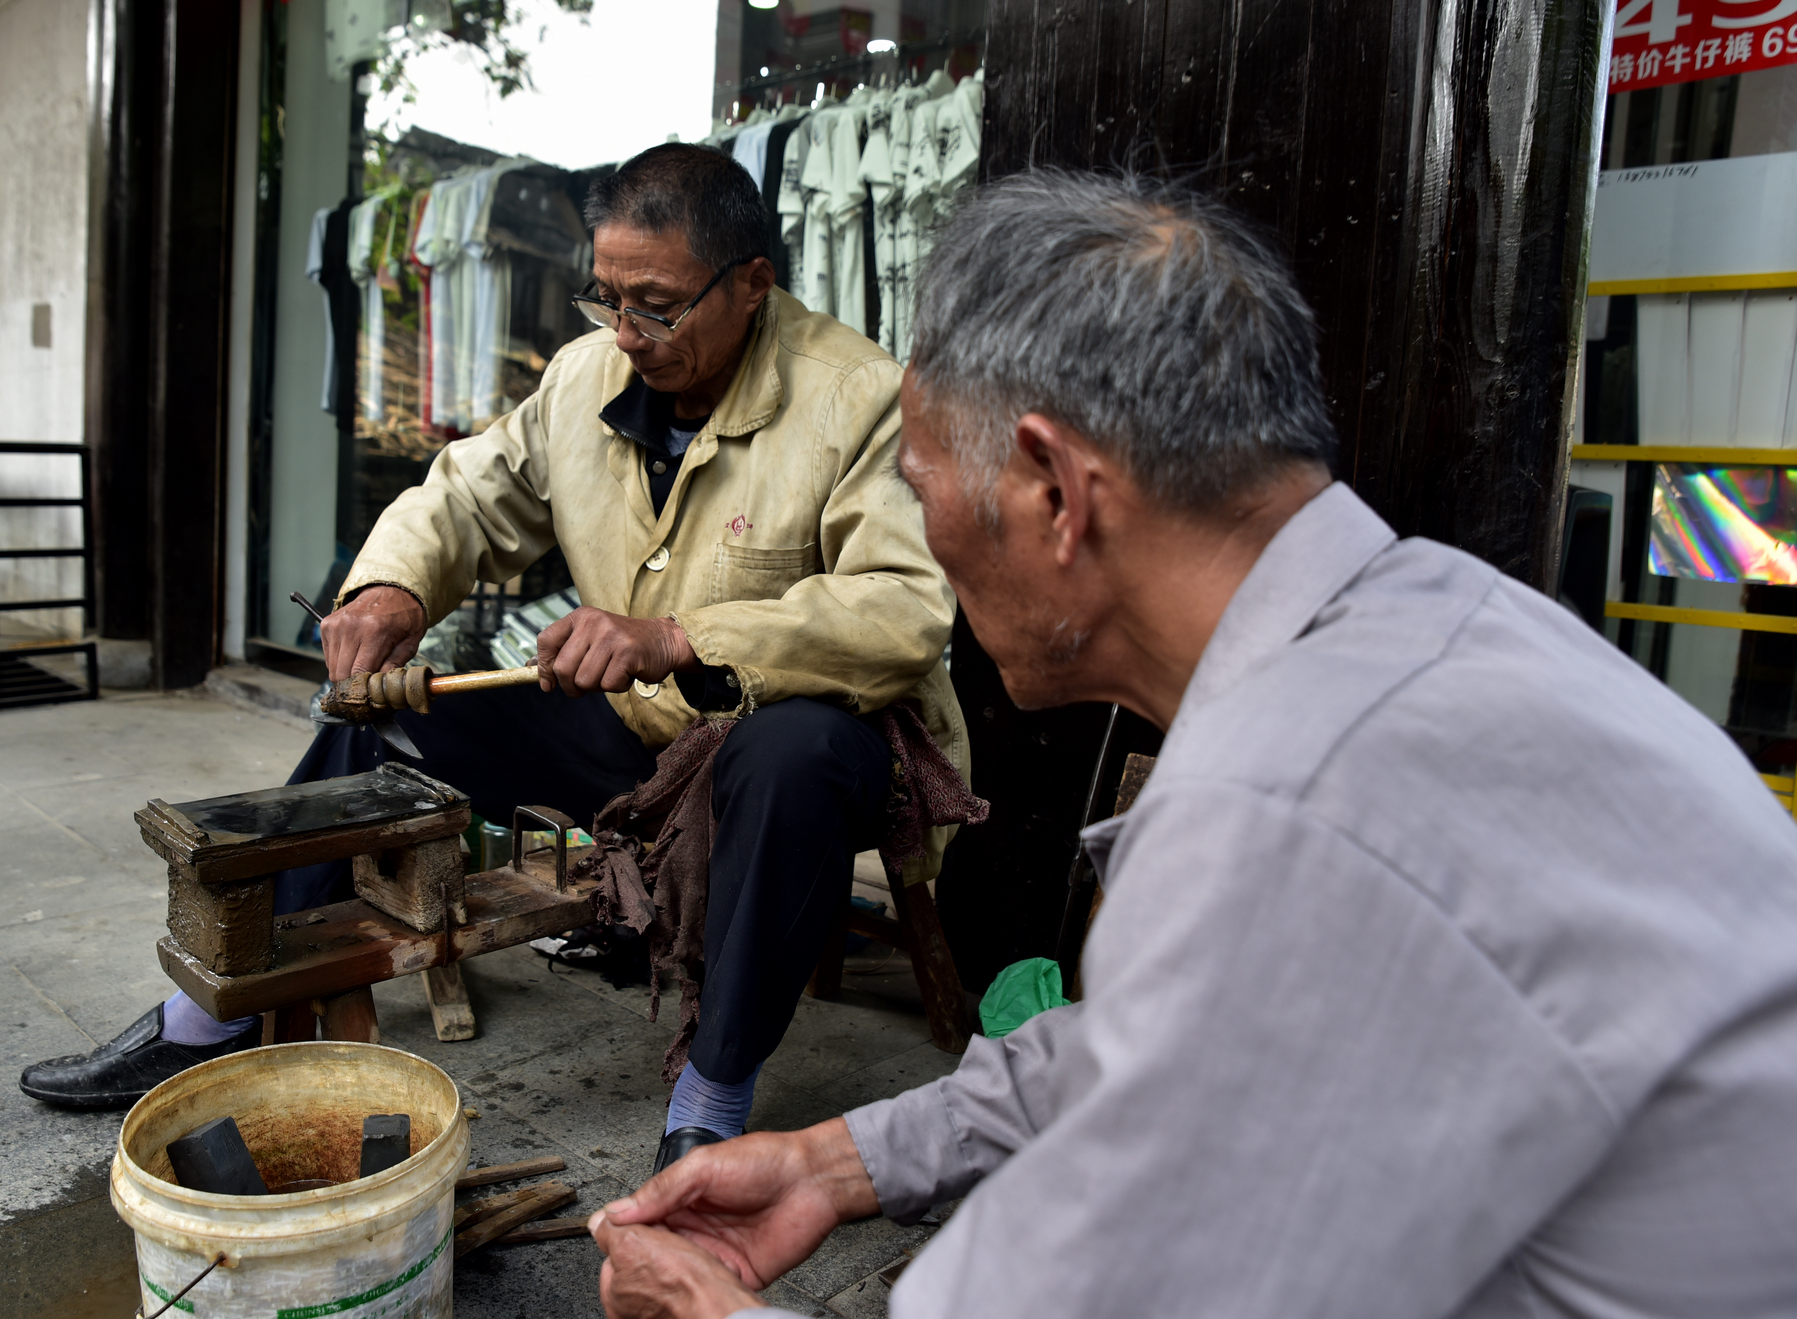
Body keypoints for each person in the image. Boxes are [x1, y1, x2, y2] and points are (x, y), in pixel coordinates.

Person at [584, 170, 1797, 1318]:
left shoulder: (1290, 806)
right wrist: (842, 1159)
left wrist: (711, 1306)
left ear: (1055, 489)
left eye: (921, 479)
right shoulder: (1438, 621)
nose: (927, 531)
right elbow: (1166, 1048)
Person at [20, 145, 967, 1173]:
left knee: (793, 751)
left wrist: (682, 636)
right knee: (393, 712)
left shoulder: (861, 395)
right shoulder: (584, 376)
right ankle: (213, 1010)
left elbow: (906, 605)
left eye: (655, 305)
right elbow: (470, 496)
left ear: (751, 283)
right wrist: (393, 586)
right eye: (605, 297)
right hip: (638, 736)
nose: (625, 333)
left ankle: (713, 1087)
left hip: (799, 749)